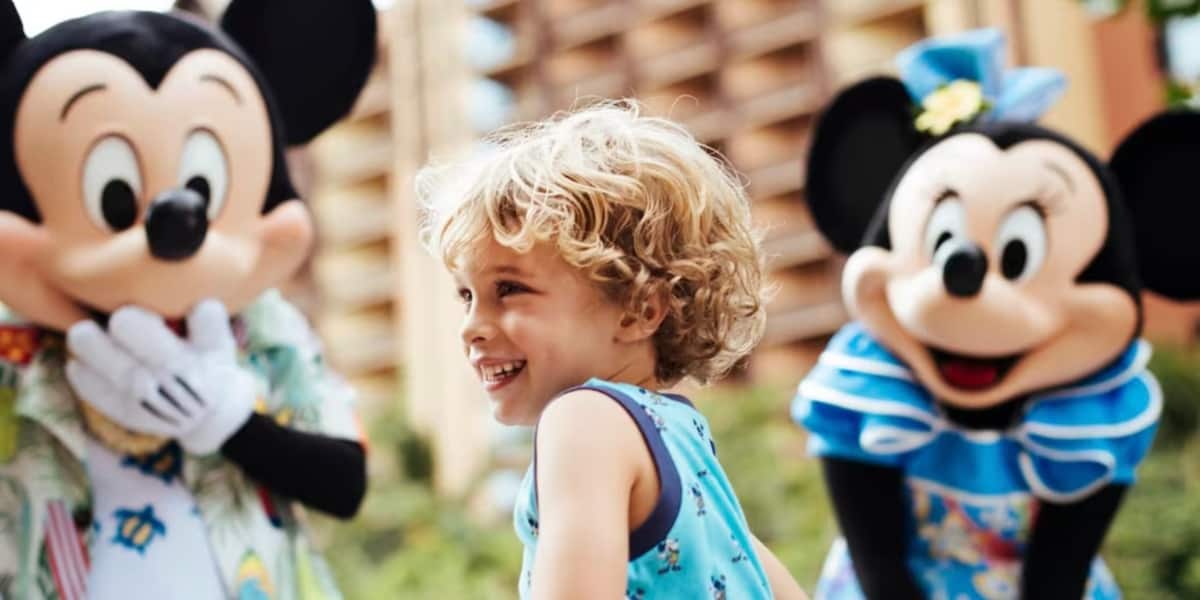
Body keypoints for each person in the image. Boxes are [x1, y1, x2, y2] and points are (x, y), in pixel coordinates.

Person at [417, 101, 808, 600]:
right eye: (466, 296)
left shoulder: (583, 419)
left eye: (509, 290)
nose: (471, 327)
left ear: (640, 310)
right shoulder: (684, 442)